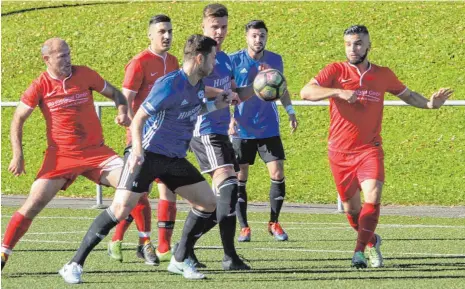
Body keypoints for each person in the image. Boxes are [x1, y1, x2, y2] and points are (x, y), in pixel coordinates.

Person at [59, 34, 239, 283]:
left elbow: (191, 110)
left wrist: (218, 104)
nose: (215, 62)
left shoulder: (197, 83)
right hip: (148, 154)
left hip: (173, 158)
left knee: (208, 203)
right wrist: (137, 151)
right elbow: (140, 117)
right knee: (120, 209)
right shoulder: (170, 83)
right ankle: (73, 264)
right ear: (199, 58)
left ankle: (179, 259)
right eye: (212, 57)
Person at [300, 25, 453, 268]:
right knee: (352, 210)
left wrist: (431, 104)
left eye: (359, 43)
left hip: (369, 149)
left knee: (373, 194)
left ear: (369, 45)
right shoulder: (335, 70)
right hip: (339, 152)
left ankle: (358, 252)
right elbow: (306, 91)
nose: (353, 48)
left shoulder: (382, 74)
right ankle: (371, 242)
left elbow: (409, 95)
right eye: (349, 44)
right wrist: (339, 92)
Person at [1, 38, 130, 270]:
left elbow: (117, 94)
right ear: (46, 59)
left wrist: (122, 112)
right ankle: (3, 253)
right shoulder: (39, 85)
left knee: (133, 186)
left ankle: (131, 241)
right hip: (61, 157)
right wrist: (17, 155)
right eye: (62, 56)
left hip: (95, 153)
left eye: (69, 54)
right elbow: (17, 119)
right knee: (33, 204)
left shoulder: (85, 74)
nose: (68, 60)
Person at [186, 3, 255, 271]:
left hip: (221, 131)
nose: (220, 31)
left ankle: (204, 252)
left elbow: (236, 92)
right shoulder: (199, 56)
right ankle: (204, 251)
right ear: (203, 25)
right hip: (204, 130)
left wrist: (262, 87)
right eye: (215, 26)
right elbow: (193, 84)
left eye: (224, 27)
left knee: (225, 195)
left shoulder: (224, 58)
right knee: (228, 188)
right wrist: (220, 94)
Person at [107, 14, 180, 265]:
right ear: (150, 35)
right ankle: (120, 240)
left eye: (170, 31)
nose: (167, 36)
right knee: (138, 194)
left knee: (168, 189)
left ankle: (162, 247)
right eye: (161, 31)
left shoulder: (173, 62)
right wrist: (124, 116)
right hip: (142, 139)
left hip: (167, 139)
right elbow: (126, 96)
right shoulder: (139, 62)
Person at [229, 20, 298, 242]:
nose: (258, 40)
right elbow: (228, 93)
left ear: (267, 37)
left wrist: (290, 111)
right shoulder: (234, 60)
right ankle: (244, 227)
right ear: (246, 37)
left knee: (277, 173)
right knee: (241, 178)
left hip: (268, 127)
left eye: (262, 36)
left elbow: (282, 88)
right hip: (242, 129)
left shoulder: (275, 60)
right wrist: (230, 119)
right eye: (254, 36)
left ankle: (274, 222)